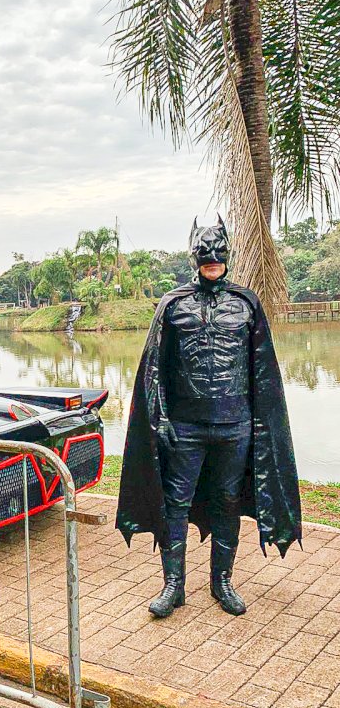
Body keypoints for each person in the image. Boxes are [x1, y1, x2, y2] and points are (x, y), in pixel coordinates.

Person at [116, 216, 301, 618]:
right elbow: (153, 370)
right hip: (185, 426)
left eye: (218, 257)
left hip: (235, 426)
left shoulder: (247, 303)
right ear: (194, 259)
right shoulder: (172, 304)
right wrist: (160, 418)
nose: (212, 262)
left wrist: (259, 426)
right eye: (205, 257)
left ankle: (222, 582)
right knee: (175, 503)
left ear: (227, 257)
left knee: (227, 502)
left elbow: (263, 373)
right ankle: (174, 586)